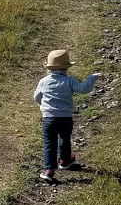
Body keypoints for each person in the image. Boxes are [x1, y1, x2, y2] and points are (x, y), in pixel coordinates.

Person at [33, 49, 100, 183]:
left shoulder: (44, 81)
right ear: (66, 68)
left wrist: (44, 106)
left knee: (49, 143)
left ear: (49, 68)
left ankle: (49, 170)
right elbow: (84, 89)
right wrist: (92, 77)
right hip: (65, 117)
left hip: (49, 118)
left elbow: (36, 97)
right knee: (65, 138)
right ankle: (64, 161)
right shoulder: (69, 81)